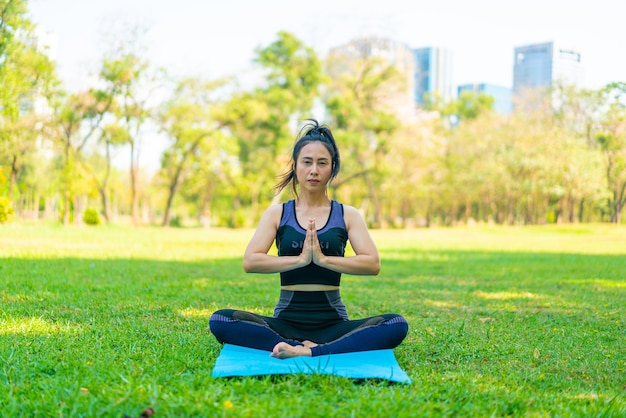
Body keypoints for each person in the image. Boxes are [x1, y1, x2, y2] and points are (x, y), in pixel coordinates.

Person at [209, 119, 408, 359]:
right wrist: (301, 260)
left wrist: (324, 260)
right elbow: (250, 262)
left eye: (322, 163)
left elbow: (372, 264)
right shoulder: (278, 213)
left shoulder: (347, 215)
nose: (314, 170)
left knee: (396, 324)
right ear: (295, 166)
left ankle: (309, 351)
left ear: (332, 167)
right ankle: (299, 346)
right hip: (285, 325)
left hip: (333, 325)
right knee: (220, 320)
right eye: (307, 162)